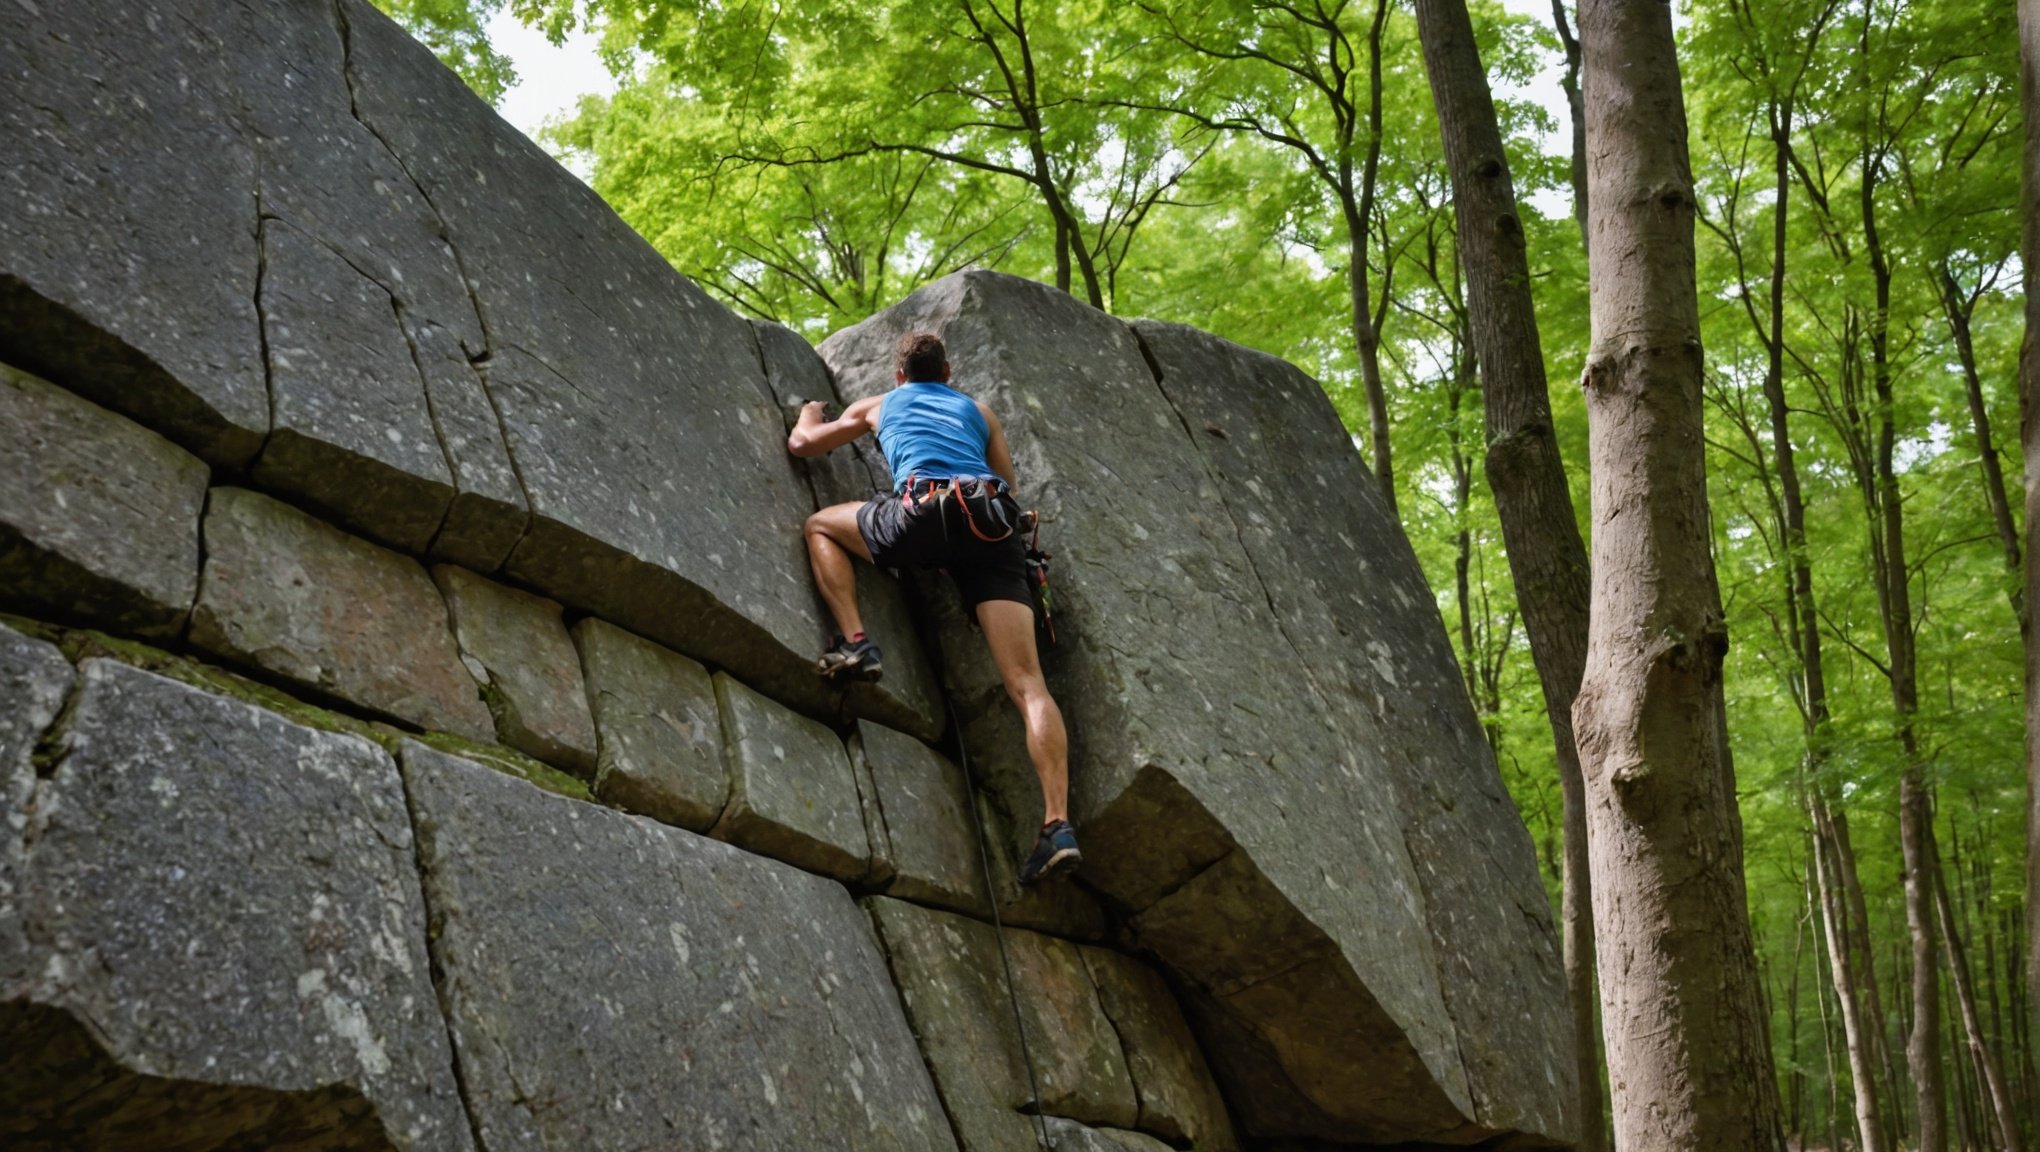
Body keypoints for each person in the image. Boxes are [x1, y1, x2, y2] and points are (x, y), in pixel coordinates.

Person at [787, 331, 1080, 884]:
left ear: (900, 376)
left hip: (922, 514)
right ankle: (1058, 824)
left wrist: (808, 412)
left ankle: (856, 642)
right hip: (993, 529)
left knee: (819, 524)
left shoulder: (878, 404)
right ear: (948, 373)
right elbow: (1008, 485)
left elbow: (804, 445)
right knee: (1028, 684)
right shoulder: (978, 411)